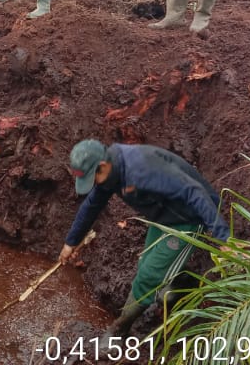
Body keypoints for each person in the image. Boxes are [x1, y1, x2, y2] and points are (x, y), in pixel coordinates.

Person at [58, 139, 229, 338]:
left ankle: (118, 330)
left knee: (149, 276)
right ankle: (183, 282)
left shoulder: (142, 169)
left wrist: (222, 236)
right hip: (163, 217)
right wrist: (71, 242)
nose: (95, 184)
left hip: (187, 218)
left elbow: (194, 192)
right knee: (145, 264)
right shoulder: (111, 172)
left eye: (93, 178)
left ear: (102, 166)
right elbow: (91, 205)